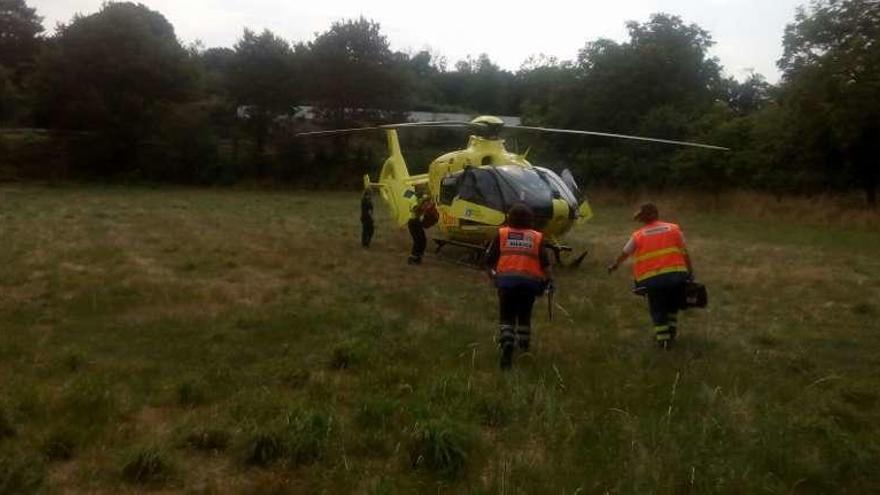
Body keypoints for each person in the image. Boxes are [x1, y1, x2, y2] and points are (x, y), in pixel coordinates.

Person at [607, 203, 693, 349]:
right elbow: (684, 253)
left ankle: (663, 341)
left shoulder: (638, 235)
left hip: (652, 280)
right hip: (676, 276)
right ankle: (671, 331)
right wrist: (690, 273)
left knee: (658, 308)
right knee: (672, 305)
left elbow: (625, 253)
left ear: (642, 219)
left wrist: (614, 265)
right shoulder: (674, 229)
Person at [485, 203, 553, 369]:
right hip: (529, 284)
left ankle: (507, 342)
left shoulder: (501, 234)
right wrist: (549, 281)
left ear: (509, 218)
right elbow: (545, 264)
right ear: (530, 220)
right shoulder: (537, 237)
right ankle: (524, 346)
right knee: (524, 314)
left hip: (506, 283)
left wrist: (494, 277)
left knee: (506, 315)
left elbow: (489, 261)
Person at [407, 190, 437, 264]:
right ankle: (413, 257)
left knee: (422, 240)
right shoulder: (413, 200)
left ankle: (417, 256)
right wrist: (424, 206)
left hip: (415, 222)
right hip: (413, 222)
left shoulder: (417, 199)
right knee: (418, 240)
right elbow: (416, 209)